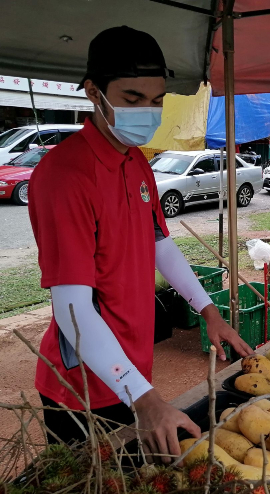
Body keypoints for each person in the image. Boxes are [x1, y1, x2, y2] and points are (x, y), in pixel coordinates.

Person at [28, 26, 253, 458]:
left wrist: (209, 311)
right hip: (85, 385)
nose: (147, 113)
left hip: (132, 369)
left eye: (156, 101)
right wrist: (145, 399)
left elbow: (159, 244)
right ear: (94, 92)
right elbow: (71, 306)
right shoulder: (64, 176)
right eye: (132, 99)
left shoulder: (136, 162)